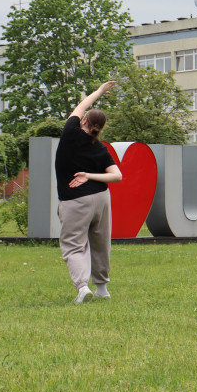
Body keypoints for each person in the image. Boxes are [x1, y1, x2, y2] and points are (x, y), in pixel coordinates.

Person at [55, 80, 123, 304]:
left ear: (84, 121)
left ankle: (82, 287)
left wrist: (100, 91)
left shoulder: (70, 134)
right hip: (102, 198)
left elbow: (81, 106)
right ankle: (102, 289)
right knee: (101, 243)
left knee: (73, 245)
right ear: (100, 128)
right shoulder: (100, 148)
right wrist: (91, 175)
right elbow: (117, 176)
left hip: (75, 201)